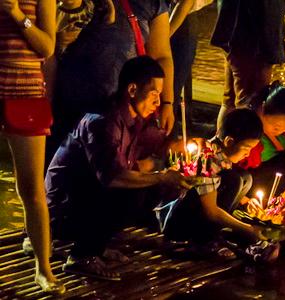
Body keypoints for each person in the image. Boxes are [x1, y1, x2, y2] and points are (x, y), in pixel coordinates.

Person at [46, 57, 192, 281]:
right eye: (154, 94)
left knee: (152, 186)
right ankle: (82, 255)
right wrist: (161, 177)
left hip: (88, 198)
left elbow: (161, 145)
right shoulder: (103, 121)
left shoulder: (136, 118)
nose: (158, 101)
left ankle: (96, 244)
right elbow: (112, 177)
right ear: (132, 89)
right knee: (134, 190)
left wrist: (192, 150)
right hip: (62, 211)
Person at [50, 0, 176, 162]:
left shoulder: (153, 4)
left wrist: (167, 102)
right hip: (71, 97)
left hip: (118, 107)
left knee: (108, 164)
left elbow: (161, 56)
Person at [0, 0, 63, 293]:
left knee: (31, 187)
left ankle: (44, 268)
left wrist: (16, 14)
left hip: (26, 90)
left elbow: (47, 46)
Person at [164, 109, 280, 262]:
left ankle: (212, 235)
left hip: (197, 215)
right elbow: (210, 211)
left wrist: (246, 201)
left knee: (245, 178)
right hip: (179, 224)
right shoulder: (207, 160)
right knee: (235, 180)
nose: (248, 154)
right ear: (229, 142)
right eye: (246, 148)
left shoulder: (221, 155)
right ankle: (204, 240)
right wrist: (248, 230)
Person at [236, 82, 285, 227]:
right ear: (262, 110)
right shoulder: (246, 122)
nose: (282, 131)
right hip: (250, 174)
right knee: (244, 182)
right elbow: (231, 167)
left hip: (275, 166)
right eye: (276, 127)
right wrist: (244, 199)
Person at [212, 0, 285, 130]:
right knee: (250, 104)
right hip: (255, 36)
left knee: (230, 101)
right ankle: (240, 146)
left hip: (234, 31)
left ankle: (224, 144)